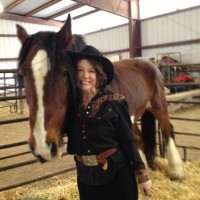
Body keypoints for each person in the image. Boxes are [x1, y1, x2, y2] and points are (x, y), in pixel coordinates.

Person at [66, 45, 152, 200]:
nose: (85, 75)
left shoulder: (115, 102)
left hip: (117, 175)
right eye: (80, 70)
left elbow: (128, 139)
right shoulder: (70, 106)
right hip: (85, 178)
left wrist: (142, 176)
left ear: (99, 74)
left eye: (91, 71)